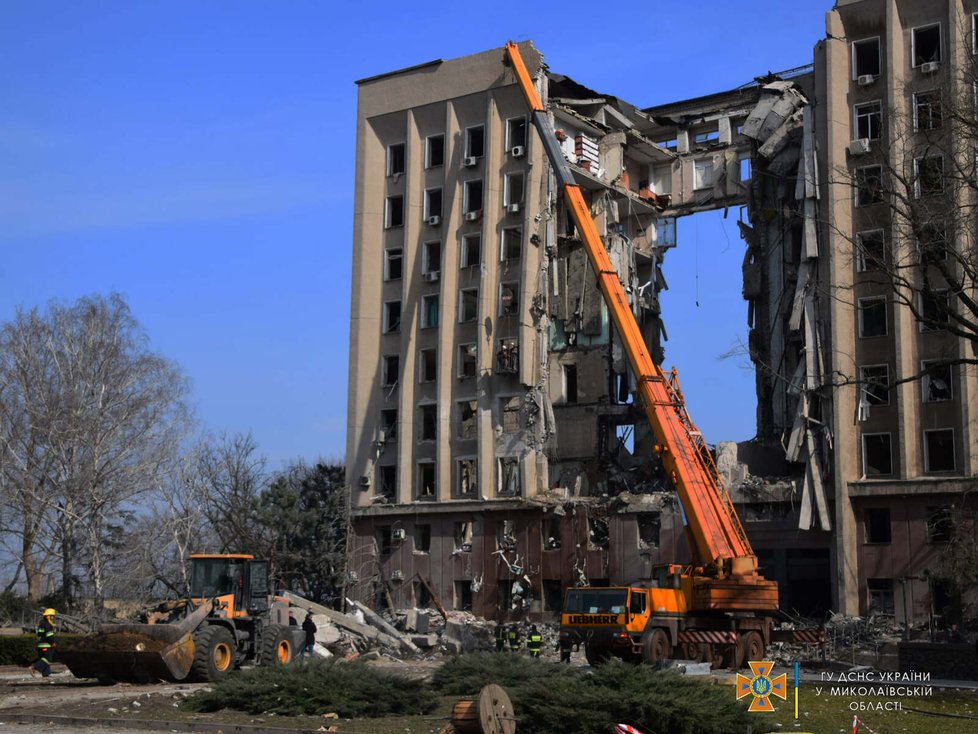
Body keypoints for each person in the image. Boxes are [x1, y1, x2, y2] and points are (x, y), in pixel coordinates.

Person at [30, 608, 56, 678]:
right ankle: (34, 667)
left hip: (40, 644)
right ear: (48, 616)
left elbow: (39, 634)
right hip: (46, 645)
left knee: (43, 658)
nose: (53, 618)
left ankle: (46, 674)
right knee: (48, 658)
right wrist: (53, 642)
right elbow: (49, 635)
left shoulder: (41, 623)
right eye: (52, 616)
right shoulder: (48, 625)